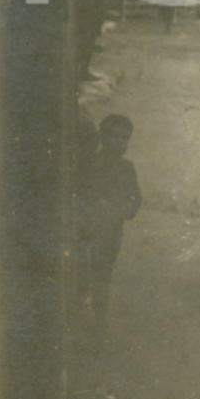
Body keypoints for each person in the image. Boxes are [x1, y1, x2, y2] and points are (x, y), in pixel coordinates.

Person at [77, 113, 142, 334]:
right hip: (87, 229)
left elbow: (135, 198)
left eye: (125, 139)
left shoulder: (126, 168)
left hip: (111, 233)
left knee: (103, 275)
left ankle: (98, 320)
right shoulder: (89, 164)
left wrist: (123, 211)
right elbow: (81, 192)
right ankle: (80, 317)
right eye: (115, 137)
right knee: (82, 272)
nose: (120, 143)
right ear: (102, 137)